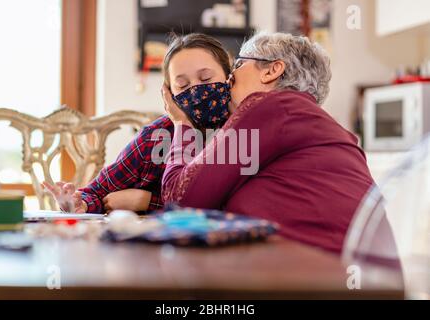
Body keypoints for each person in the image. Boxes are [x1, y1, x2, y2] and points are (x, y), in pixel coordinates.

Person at [161, 32, 379, 253]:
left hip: (318, 273)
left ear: (271, 70)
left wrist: (181, 123)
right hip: (361, 276)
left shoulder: (269, 106)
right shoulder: (321, 126)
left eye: (238, 65)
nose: (229, 78)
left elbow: (179, 201)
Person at [43, 33, 232, 215]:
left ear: (229, 77)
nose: (195, 90)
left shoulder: (249, 130)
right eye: (182, 86)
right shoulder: (154, 137)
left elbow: (230, 206)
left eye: (206, 78)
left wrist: (146, 201)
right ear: (168, 94)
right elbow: (96, 193)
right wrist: (78, 203)